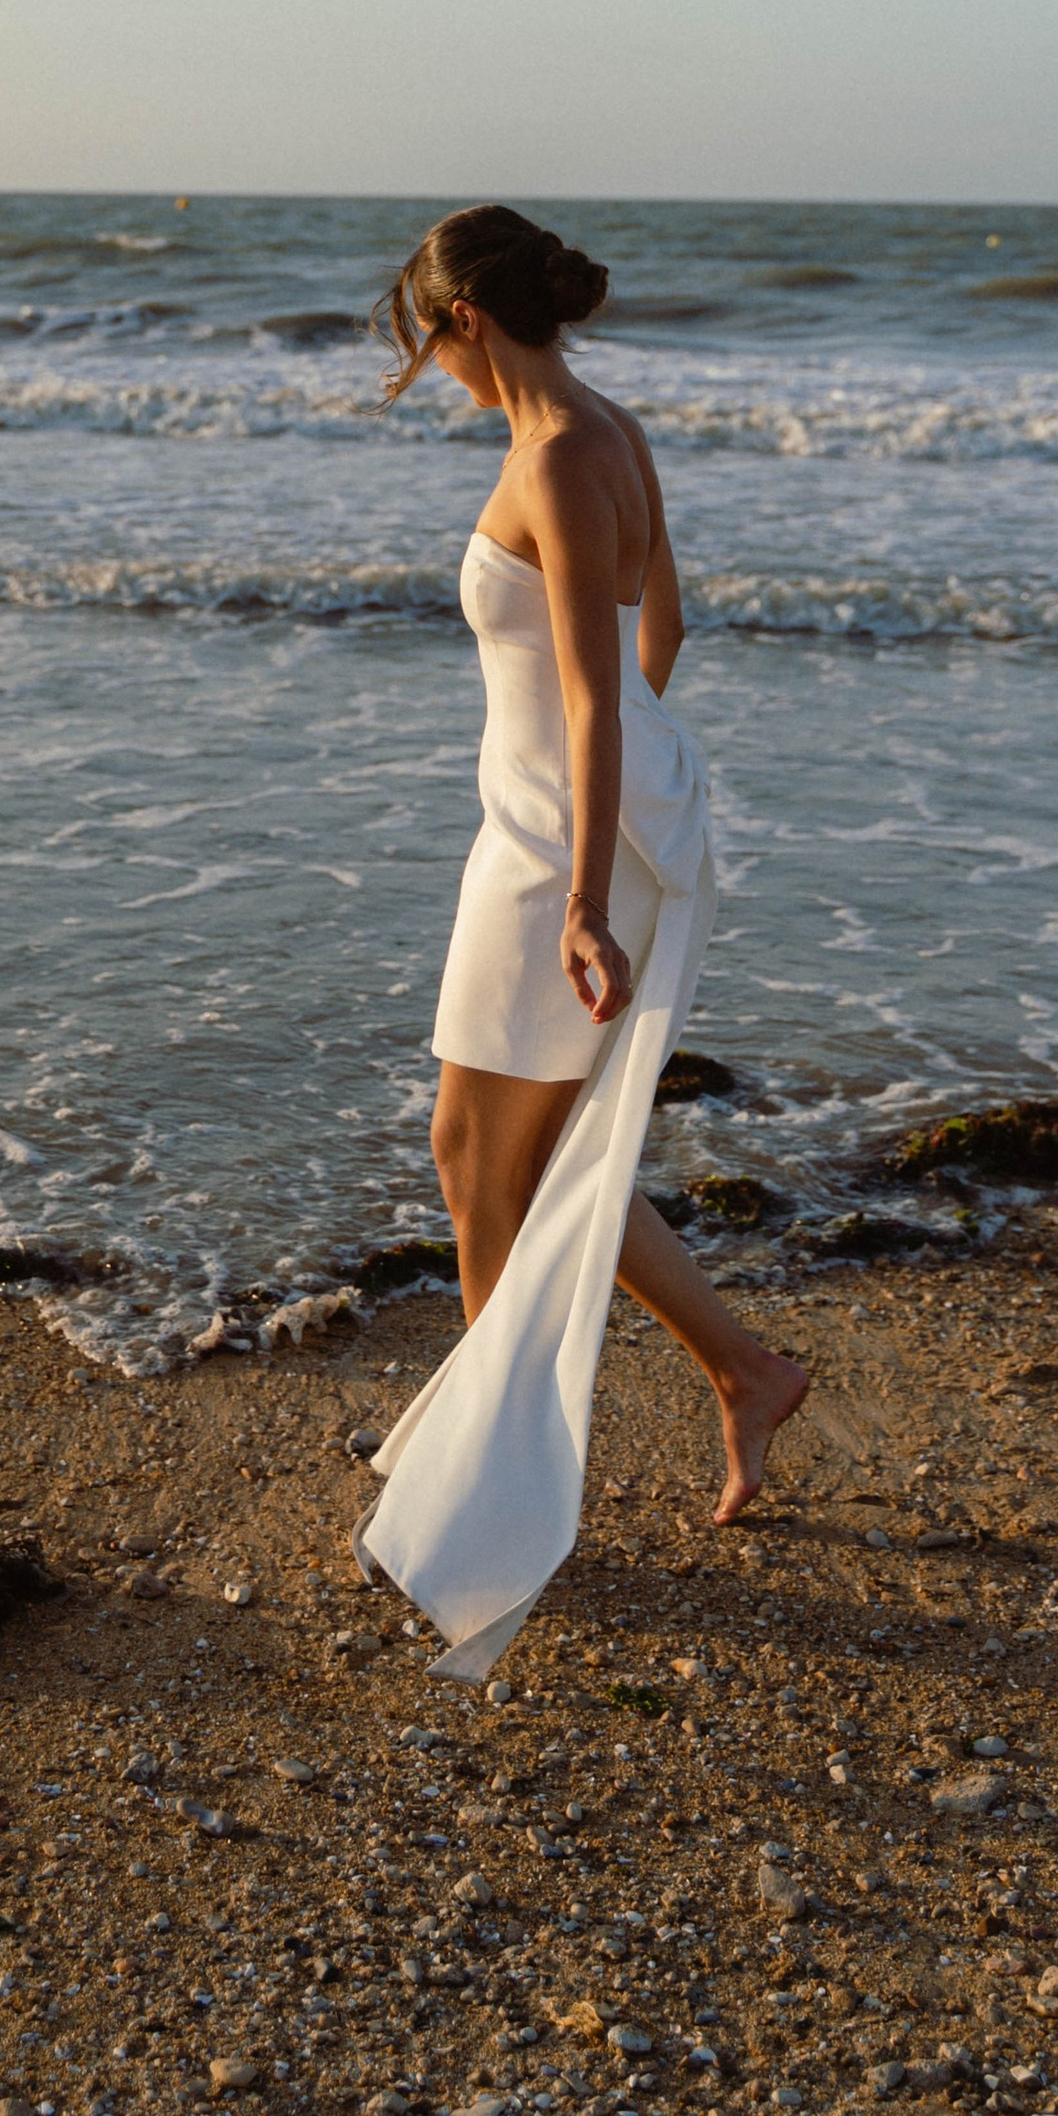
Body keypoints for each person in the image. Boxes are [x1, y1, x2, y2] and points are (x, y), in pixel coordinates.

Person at [350, 204, 808, 1679]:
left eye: (430, 340)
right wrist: (609, 810)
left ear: (465, 319)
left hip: (553, 853)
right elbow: (656, 633)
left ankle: (503, 1500)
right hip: (575, 828)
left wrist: (585, 889)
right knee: (520, 1157)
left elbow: (606, 689)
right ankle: (743, 1369)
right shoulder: (610, 426)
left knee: (491, 1162)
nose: (434, 369)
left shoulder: (552, 454)